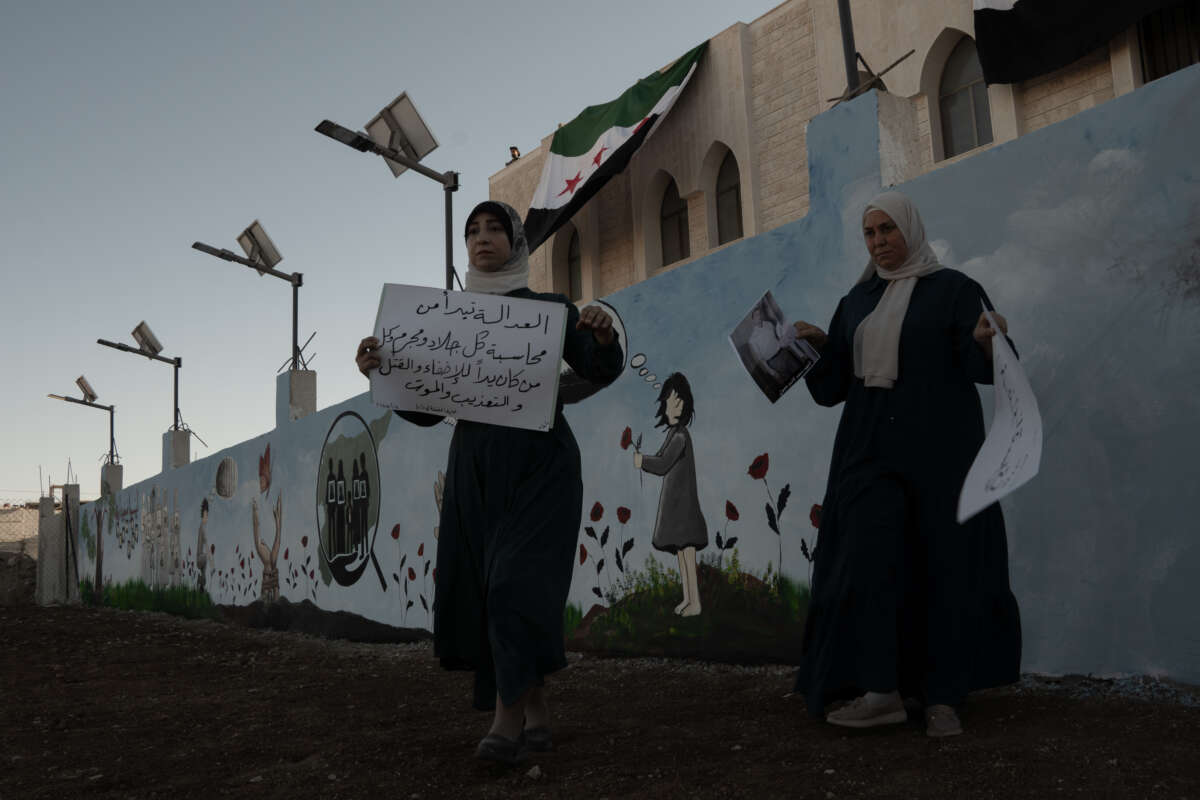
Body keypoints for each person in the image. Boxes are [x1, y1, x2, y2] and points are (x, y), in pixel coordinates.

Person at [355, 200, 623, 764]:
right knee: (494, 591)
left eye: (495, 228)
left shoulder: (550, 310)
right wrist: (385, 370)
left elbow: (600, 368)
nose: (482, 238)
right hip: (475, 471)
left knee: (512, 586)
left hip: (542, 467)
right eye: (473, 230)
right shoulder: (446, 321)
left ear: (517, 242)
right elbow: (425, 411)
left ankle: (505, 722)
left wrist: (600, 337)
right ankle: (536, 711)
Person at [789, 191, 1021, 738]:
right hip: (867, 450)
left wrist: (990, 342)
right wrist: (817, 347)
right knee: (870, 562)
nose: (879, 243)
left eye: (887, 230)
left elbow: (983, 365)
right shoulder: (856, 301)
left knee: (944, 565)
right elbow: (832, 387)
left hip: (942, 451)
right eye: (870, 234)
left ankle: (942, 697)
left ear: (910, 229)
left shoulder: (955, 290)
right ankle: (881, 690)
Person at [634, 372, 707, 616]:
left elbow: (663, 463)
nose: (672, 407)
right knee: (681, 554)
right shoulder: (672, 433)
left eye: (677, 402)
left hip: (683, 508)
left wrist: (641, 461)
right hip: (676, 508)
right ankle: (688, 599)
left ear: (686, 404)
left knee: (687, 554)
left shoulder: (680, 436)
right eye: (669, 402)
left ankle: (694, 602)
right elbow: (662, 458)